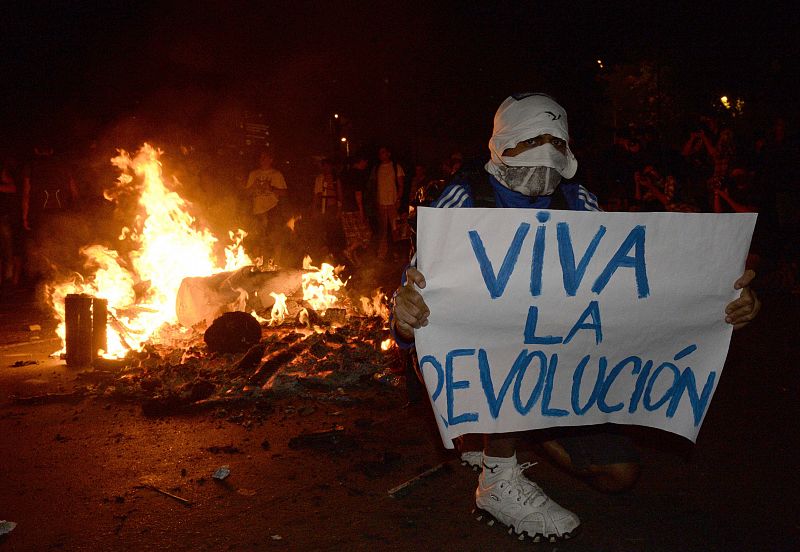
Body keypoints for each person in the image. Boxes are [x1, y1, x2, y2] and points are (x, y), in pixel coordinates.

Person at [390, 93, 761, 542]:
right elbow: (415, 287)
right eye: (532, 139)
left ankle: (516, 430)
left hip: (557, 367)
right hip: (485, 364)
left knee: (620, 475)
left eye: (557, 141)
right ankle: (497, 477)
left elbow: (623, 289)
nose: (546, 151)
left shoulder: (578, 201)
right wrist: (405, 314)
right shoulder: (464, 199)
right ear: (502, 144)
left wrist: (719, 304)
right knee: (511, 342)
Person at [244, 149, 287, 263]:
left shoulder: (276, 174)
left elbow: (284, 192)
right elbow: (247, 193)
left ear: (271, 159)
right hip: (257, 210)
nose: (262, 160)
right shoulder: (254, 174)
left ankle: (276, 263)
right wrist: (253, 186)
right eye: (261, 158)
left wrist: (271, 188)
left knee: (274, 238)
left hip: (272, 209)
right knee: (260, 239)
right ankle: (261, 263)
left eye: (265, 157)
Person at [370, 145, 405, 259]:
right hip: (381, 203)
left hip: (392, 202)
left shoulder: (396, 167)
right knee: (382, 230)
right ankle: (382, 253)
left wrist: (398, 199)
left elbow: (401, 185)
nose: (381, 155)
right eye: (380, 153)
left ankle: (397, 252)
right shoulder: (377, 168)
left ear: (389, 154)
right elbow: (374, 185)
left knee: (395, 228)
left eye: (383, 152)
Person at [339, 153, 371, 266]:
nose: (366, 165)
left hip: (345, 209)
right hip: (354, 209)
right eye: (366, 162)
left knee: (353, 237)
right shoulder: (358, 174)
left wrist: (341, 206)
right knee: (365, 234)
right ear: (361, 161)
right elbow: (358, 194)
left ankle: (356, 262)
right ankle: (348, 251)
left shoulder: (345, 174)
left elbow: (340, 191)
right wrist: (361, 211)